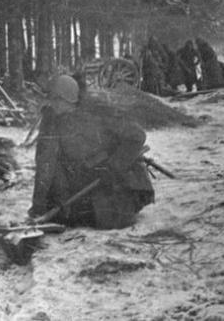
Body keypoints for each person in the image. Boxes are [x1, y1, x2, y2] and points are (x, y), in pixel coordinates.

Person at [29, 74, 155, 229]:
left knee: (108, 217)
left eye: (57, 100)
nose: (53, 106)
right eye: (51, 100)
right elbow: (46, 164)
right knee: (64, 217)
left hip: (114, 180)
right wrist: (38, 205)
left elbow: (137, 136)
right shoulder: (52, 119)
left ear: (70, 99)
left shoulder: (98, 112)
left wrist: (113, 166)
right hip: (81, 181)